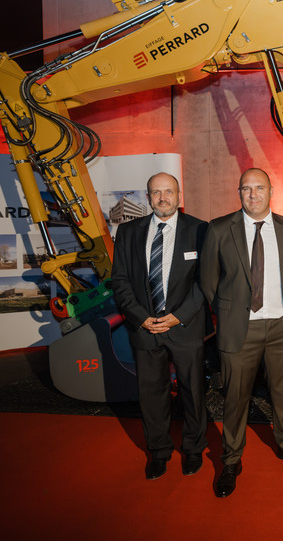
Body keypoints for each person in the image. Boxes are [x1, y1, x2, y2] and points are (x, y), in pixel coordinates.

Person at [200, 168, 283, 498]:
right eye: (246, 189)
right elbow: (209, 281)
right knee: (236, 398)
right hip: (240, 328)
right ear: (239, 193)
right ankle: (231, 460)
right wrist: (229, 314)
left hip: (280, 325)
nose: (253, 195)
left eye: (259, 188)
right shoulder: (220, 229)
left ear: (271, 190)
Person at [111, 172, 210, 480]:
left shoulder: (199, 230)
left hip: (185, 327)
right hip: (145, 327)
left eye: (168, 191)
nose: (163, 197)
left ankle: (193, 450)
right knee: (152, 394)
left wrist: (179, 316)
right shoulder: (128, 232)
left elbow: (205, 282)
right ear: (148, 197)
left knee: (193, 393)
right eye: (156, 192)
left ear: (179, 196)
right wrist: (140, 316)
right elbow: (120, 280)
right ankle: (159, 452)